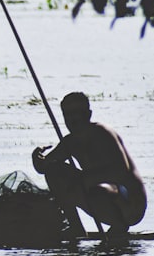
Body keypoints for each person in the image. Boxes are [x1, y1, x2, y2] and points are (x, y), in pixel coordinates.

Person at [31, 92, 146, 237]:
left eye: (77, 113)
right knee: (54, 171)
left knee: (98, 189)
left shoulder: (103, 133)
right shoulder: (70, 142)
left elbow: (121, 171)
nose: (73, 119)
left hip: (128, 203)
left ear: (88, 114)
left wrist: (85, 179)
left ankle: (119, 226)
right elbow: (44, 167)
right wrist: (37, 159)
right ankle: (76, 228)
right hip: (95, 198)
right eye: (68, 114)